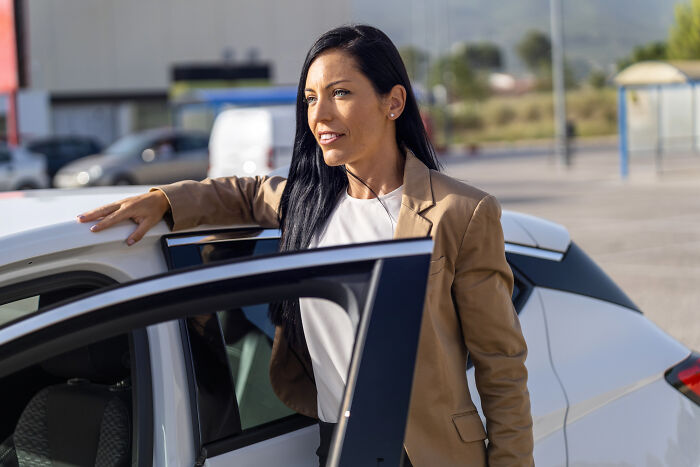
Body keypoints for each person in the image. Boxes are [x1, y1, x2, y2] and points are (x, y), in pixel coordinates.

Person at [78, 25, 533, 467]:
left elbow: (502, 367)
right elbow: (247, 192)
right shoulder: (307, 202)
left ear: (393, 102)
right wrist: (164, 199)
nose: (319, 116)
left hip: (429, 451)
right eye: (311, 99)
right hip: (337, 442)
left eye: (340, 93)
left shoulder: (461, 211)